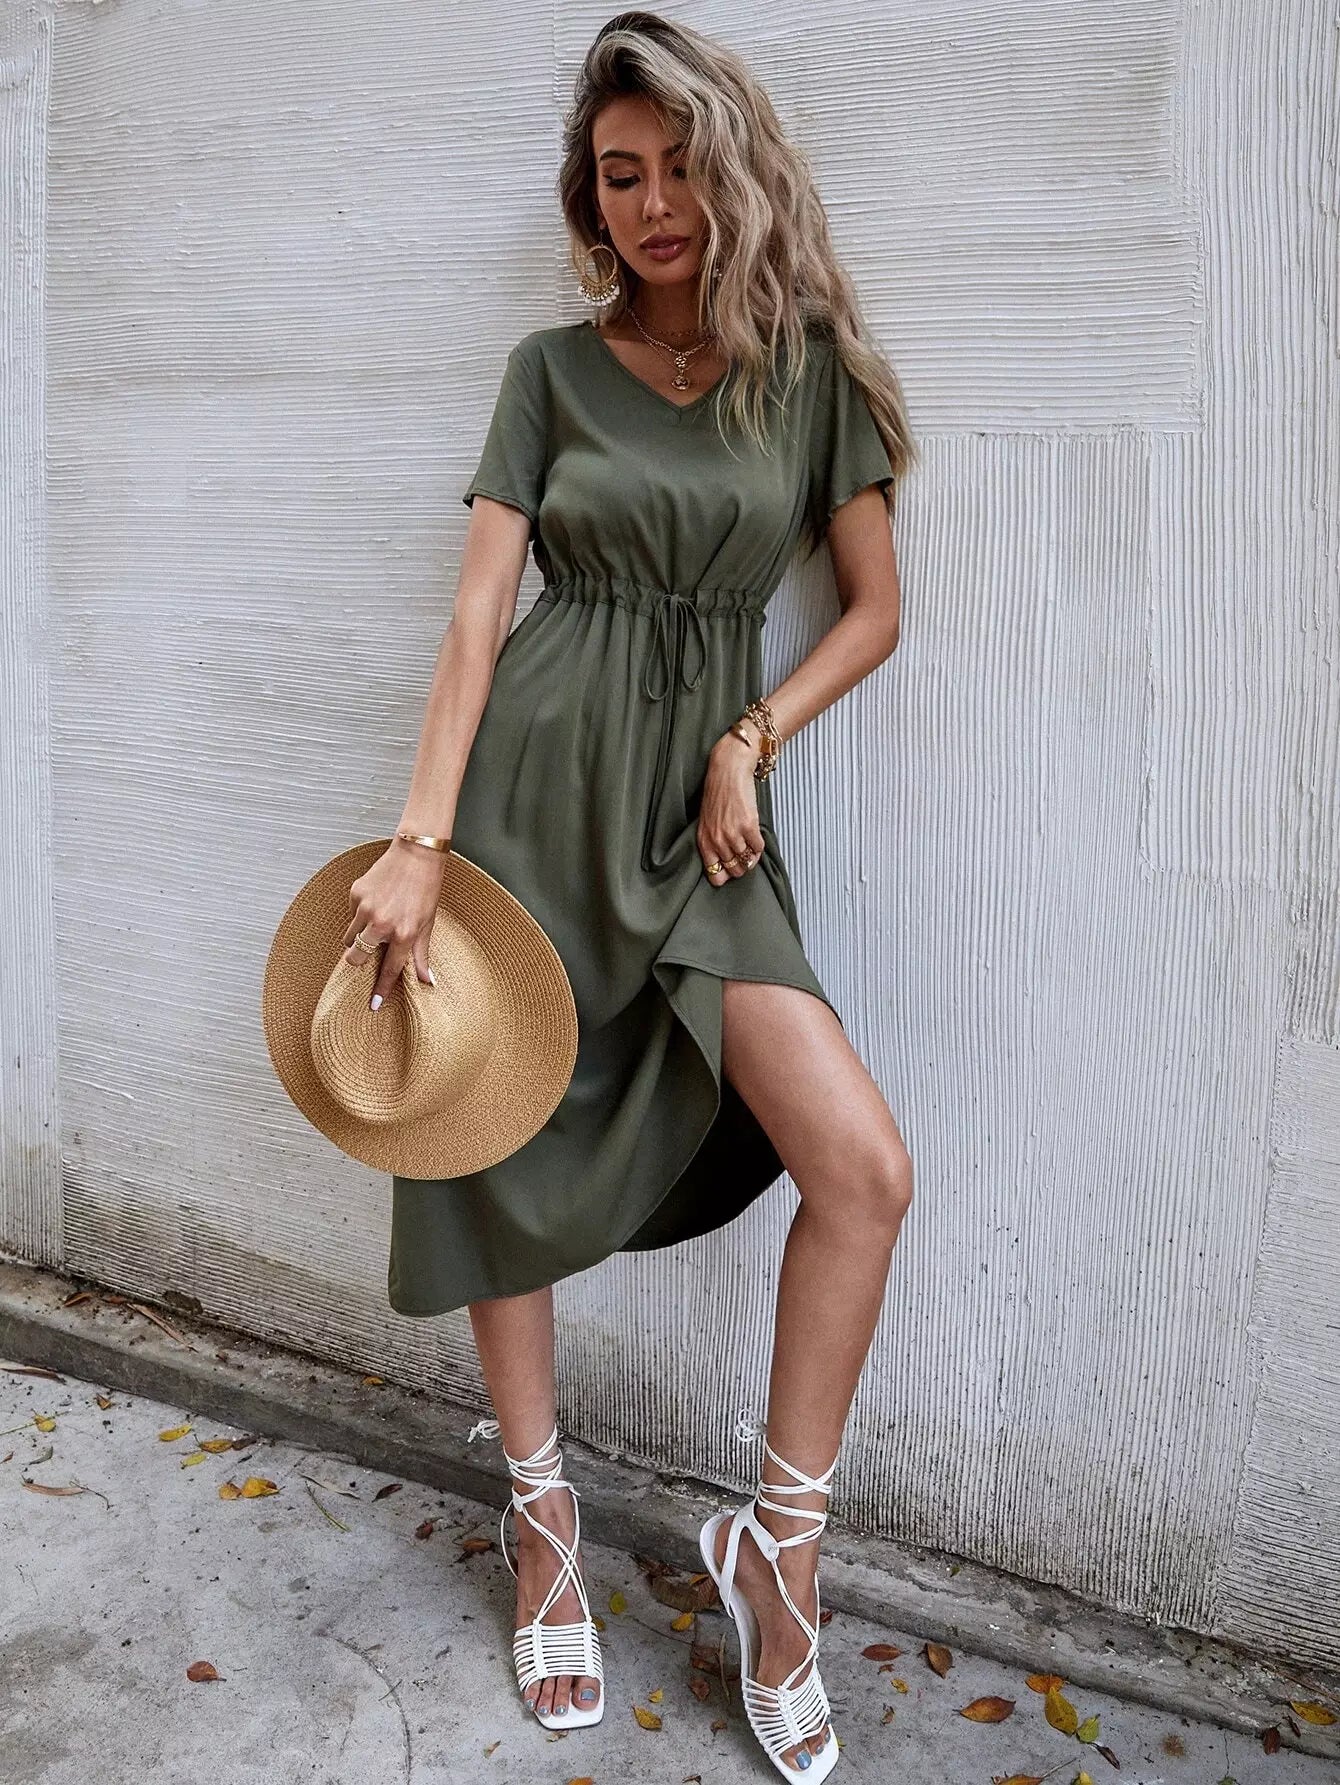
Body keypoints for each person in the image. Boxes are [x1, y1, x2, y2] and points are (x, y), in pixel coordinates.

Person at [340, 11, 917, 1775]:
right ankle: (540, 1516)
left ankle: (780, 1554)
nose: (654, 202)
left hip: (698, 831)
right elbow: (474, 617)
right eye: (619, 174)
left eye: (678, 166)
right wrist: (421, 836)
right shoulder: (547, 371)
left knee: (863, 1167)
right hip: (530, 798)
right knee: (489, 1134)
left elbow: (876, 612)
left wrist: (752, 734)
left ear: (731, 172)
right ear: (586, 199)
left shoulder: (804, 374)